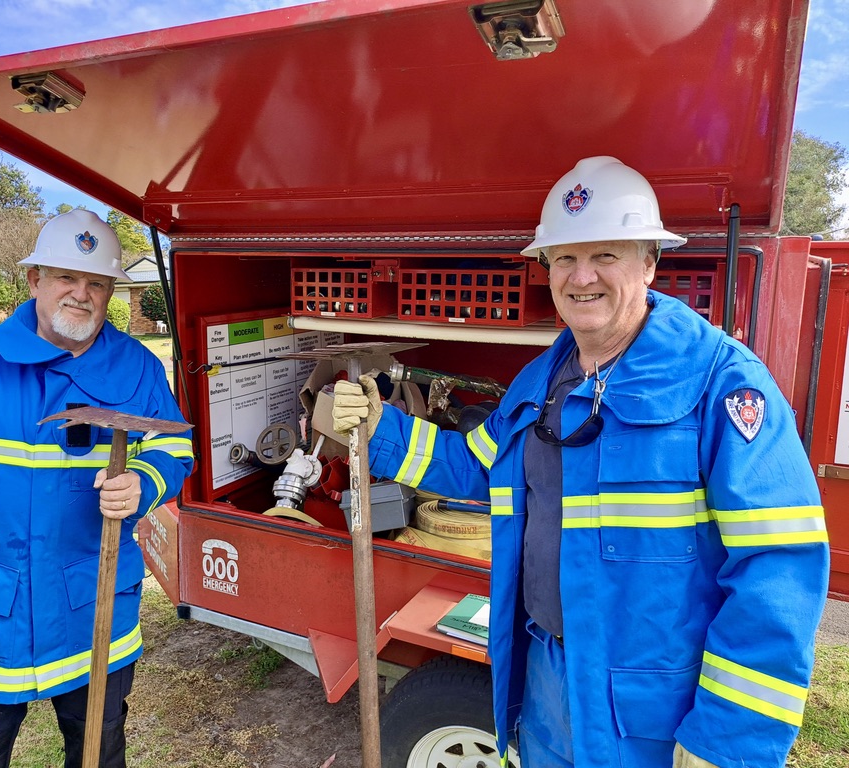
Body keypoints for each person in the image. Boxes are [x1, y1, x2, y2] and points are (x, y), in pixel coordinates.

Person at [332, 156, 829, 768]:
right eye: (564, 257)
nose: (581, 276)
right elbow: (478, 468)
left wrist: (725, 738)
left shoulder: (722, 385)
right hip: (546, 680)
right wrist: (382, 428)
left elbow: (778, 568)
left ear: (649, 262)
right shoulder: (540, 382)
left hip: (661, 711)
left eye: (606, 256)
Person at [0, 209, 194, 767]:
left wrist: (144, 484)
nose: (81, 294)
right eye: (65, 278)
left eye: (97, 283)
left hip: (93, 606)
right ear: (34, 280)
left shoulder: (137, 367)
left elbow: (174, 448)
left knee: (98, 755)